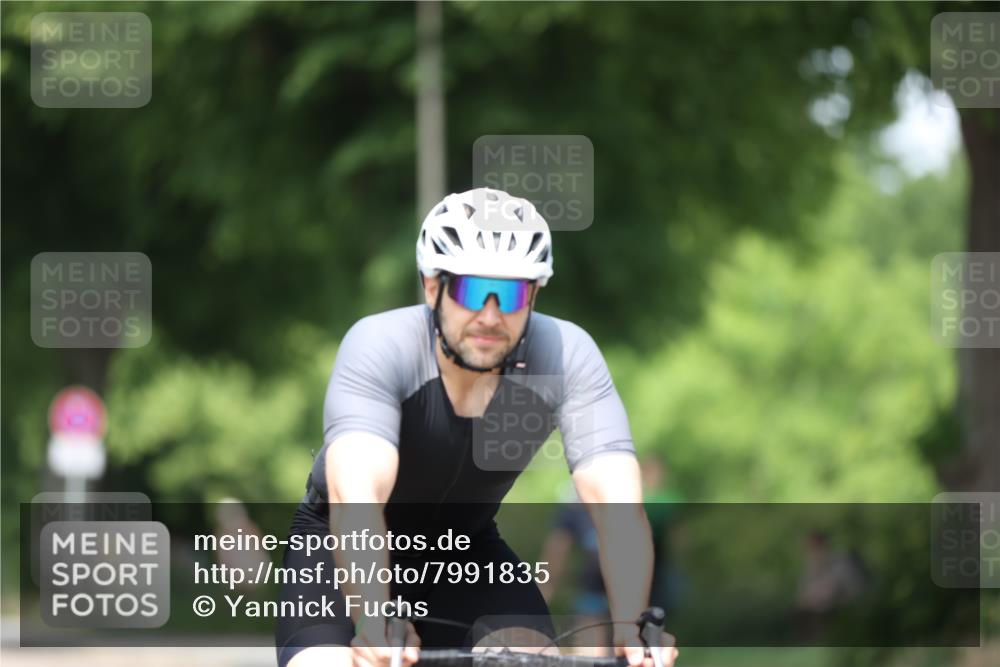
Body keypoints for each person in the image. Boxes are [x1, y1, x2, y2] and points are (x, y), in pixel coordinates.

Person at [275, 188, 679, 667]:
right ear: (432, 287)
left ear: (534, 295)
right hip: (337, 548)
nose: (489, 316)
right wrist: (373, 618)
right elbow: (357, 501)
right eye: (470, 290)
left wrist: (633, 627)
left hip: (468, 554)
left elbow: (619, 512)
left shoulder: (568, 357)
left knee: (528, 660)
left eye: (510, 294)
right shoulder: (380, 345)